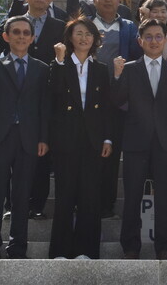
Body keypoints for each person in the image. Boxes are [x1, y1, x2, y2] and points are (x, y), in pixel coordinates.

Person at [0, 0, 64, 220]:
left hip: (45, 92)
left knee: (40, 152)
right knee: (11, 154)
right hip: (14, 94)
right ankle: (11, 204)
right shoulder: (14, 22)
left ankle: (37, 204)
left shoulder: (60, 26)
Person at [110, 19, 167, 260]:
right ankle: (130, 247)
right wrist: (117, 76)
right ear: (140, 41)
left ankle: (164, 248)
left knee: (165, 196)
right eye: (149, 37)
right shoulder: (129, 69)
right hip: (136, 142)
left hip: (165, 142)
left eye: (158, 36)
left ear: (165, 40)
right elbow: (117, 101)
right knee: (132, 195)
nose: (154, 41)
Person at [0, 18, 49, 259]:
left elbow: (44, 107)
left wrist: (43, 138)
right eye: (16, 32)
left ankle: (18, 248)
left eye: (26, 33)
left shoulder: (41, 68)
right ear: (6, 37)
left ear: (32, 38)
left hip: (28, 138)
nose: (21, 36)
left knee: (22, 195)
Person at [47, 17, 113, 259]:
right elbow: (53, 94)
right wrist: (59, 61)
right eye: (79, 33)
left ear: (95, 39)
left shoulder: (101, 69)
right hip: (66, 138)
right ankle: (60, 251)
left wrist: (108, 139)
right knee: (65, 195)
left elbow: (106, 107)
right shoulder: (60, 64)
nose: (84, 38)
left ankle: (87, 251)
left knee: (90, 196)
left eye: (88, 34)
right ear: (70, 38)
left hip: (93, 140)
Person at [90, 0, 140, 219]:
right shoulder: (86, 26)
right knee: (91, 150)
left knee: (113, 151)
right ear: (94, 0)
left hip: (119, 96)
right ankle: (87, 201)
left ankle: (106, 205)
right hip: (91, 96)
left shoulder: (128, 27)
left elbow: (137, 57)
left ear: (119, 0)